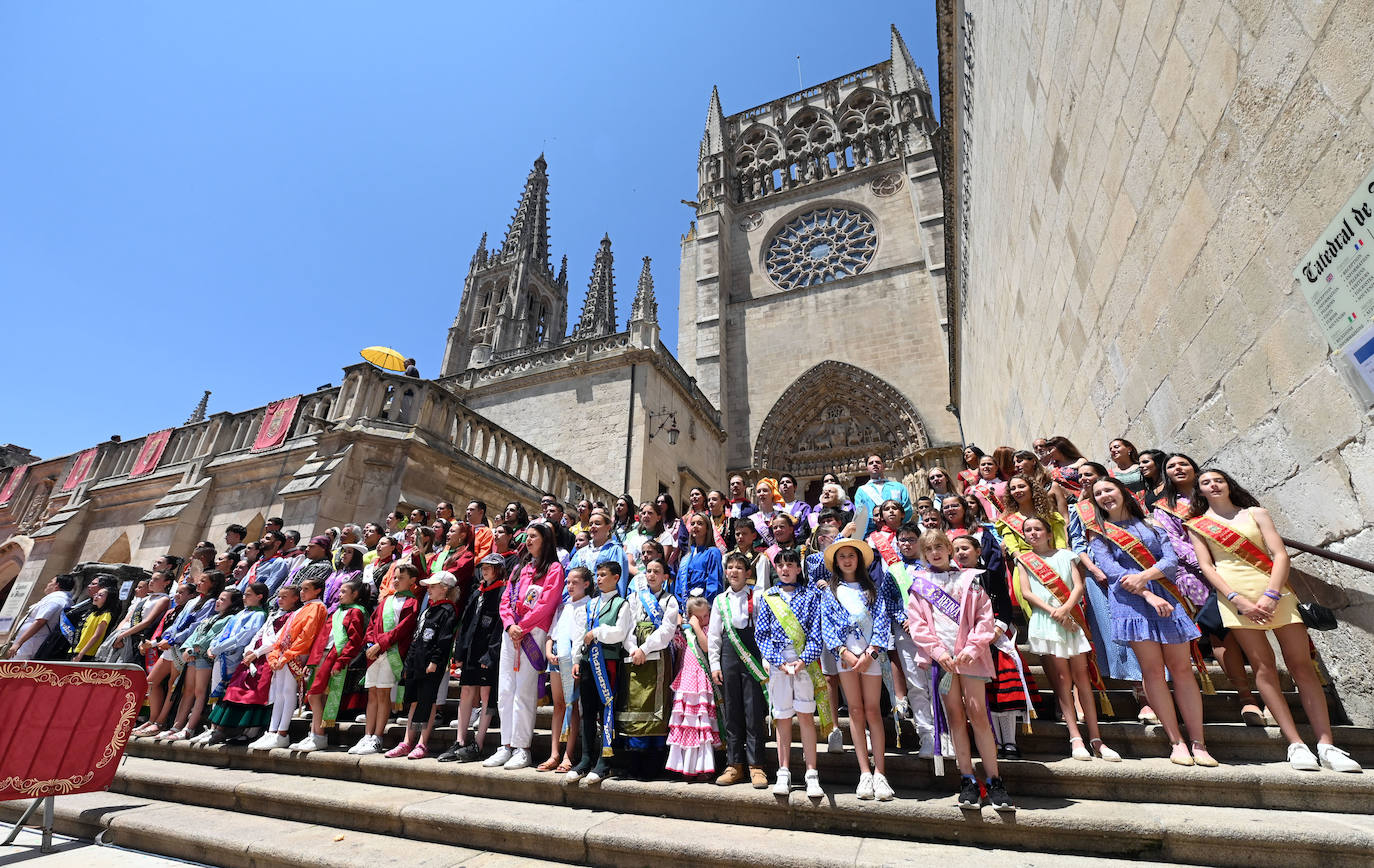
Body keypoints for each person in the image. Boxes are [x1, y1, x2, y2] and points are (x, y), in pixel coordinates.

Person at [1187, 469, 1362, 773]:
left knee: (1301, 666)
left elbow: (1279, 554)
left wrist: (1271, 593)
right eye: (1205, 483)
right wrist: (1236, 599)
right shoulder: (1198, 525)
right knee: (1263, 667)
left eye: (1218, 480)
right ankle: (1295, 743)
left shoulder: (1256, 513)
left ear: (1229, 484)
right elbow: (1207, 566)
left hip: (1275, 592)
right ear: (1199, 492)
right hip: (1235, 599)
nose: (1213, 485)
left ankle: (1327, 744)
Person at [1088, 477, 1212, 767]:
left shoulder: (1151, 523)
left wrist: (1145, 577)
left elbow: (1170, 560)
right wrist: (1147, 593)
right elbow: (1114, 571)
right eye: (1098, 494)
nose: (1104, 496)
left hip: (1165, 595)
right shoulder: (1099, 532)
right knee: (1153, 672)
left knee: (1182, 670)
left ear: (1122, 492)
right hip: (1132, 603)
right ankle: (1176, 741)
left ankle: (1199, 741)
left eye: (1108, 489)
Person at [905, 530, 1013, 811]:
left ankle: (994, 780)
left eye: (940, 546)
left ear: (949, 549)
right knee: (955, 717)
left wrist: (971, 649)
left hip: (970, 658)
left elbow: (984, 618)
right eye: (929, 550)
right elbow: (918, 626)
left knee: (978, 715)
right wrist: (940, 653)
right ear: (923, 554)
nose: (935, 553)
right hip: (944, 661)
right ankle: (967, 778)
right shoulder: (920, 585)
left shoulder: (971, 578)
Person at [1155, 453, 1263, 725]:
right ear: (1165, 474)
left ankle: (1269, 691)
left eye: (1183, 463)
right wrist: (1206, 563)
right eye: (1171, 466)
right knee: (1221, 632)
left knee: (1253, 629)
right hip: (1197, 574)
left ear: (1194, 468)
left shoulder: (1216, 494)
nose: (1178, 468)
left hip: (1239, 568)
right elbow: (1173, 542)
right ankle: (1246, 697)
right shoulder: (1164, 507)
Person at [1015, 516, 1120, 763]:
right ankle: (1075, 737)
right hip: (1047, 621)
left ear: (1049, 533)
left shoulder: (1066, 555)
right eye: (1028, 530)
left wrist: (1066, 608)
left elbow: (1078, 586)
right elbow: (1027, 592)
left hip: (1071, 618)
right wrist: (1054, 611)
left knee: (1083, 679)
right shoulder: (1024, 560)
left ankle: (1096, 738)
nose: (1033, 533)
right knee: (1062, 681)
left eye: (1037, 528)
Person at [821, 537, 893, 801]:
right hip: (846, 657)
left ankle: (881, 773)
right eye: (842, 557)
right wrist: (846, 654)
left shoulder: (873, 589)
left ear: (859, 560)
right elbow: (826, 625)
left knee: (873, 709)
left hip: (871, 656)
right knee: (854, 709)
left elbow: (883, 621)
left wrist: (871, 653)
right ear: (836, 562)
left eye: (852, 555)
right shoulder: (830, 592)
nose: (848, 560)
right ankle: (864, 771)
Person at [488, 522, 564, 770]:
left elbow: (547, 603)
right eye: (527, 536)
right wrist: (511, 625)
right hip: (512, 634)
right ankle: (505, 744)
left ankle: (522, 747)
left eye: (534, 536)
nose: (528, 540)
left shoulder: (553, 569)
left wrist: (524, 626)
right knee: (505, 690)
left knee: (524, 691)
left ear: (545, 540)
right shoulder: (520, 569)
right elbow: (505, 601)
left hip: (533, 633)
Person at [951, 534, 1032, 759]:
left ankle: (1010, 742)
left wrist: (993, 633)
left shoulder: (992, 575)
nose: (960, 553)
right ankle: (992, 741)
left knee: (1002, 694)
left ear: (978, 551)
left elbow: (1003, 606)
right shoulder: (952, 579)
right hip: (967, 644)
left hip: (995, 640)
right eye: (956, 550)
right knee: (980, 697)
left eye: (965, 548)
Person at [755, 548, 826, 799]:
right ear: (776, 569)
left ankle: (811, 773)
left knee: (806, 717)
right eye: (781, 565)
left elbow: (817, 633)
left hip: (805, 664)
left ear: (799, 568)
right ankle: (783, 771)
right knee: (782, 718)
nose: (785, 569)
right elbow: (762, 635)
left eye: (790, 564)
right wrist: (779, 662)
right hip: (779, 665)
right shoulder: (768, 597)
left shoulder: (811, 596)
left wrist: (804, 660)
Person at [203, 584, 298, 746]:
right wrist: (249, 650)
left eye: (284, 597)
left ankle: (251, 730)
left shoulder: (292, 616)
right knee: (237, 689)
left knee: (258, 692)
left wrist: (257, 652)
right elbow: (259, 633)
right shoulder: (273, 614)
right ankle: (229, 728)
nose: (279, 600)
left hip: (268, 656)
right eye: (279, 596)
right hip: (253, 656)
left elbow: (277, 640)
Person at [567, 561, 632, 784]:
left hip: (607, 662)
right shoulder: (591, 603)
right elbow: (580, 633)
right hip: (588, 661)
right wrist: (576, 659)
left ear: (616, 577)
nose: (600, 578)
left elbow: (620, 633)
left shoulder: (621, 604)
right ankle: (585, 758)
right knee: (588, 710)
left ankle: (605, 760)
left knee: (606, 709)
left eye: (604, 575)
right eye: (598, 575)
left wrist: (598, 632)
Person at [441, 554, 509, 763]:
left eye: (490, 567)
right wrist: (459, 651)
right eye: (483, 567)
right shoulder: (476, 592)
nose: (485, 570)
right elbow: (466, 622)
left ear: (499, 569)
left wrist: (491, 653)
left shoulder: (502, 592)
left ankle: (478, 743)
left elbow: (500, 625)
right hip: (471, 650)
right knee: (466, 692)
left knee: (487, 694)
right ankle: (460, 741)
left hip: (488, 652)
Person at [709, 552, 769, 789]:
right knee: (732, 711)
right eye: (730, 568)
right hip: (728, 656)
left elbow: (764, 632)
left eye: (738, 568)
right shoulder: (719, 600)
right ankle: (734, 764)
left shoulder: (759, 596)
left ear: (748, 573)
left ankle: (757, 766)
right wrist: (715, 664)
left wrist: (765, 659)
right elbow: (714, 635)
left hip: (752, 654)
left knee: (753, 711)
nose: (734, 571)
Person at [618, 557, 680, 780]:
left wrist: (645, 648)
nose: (652, 575)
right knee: (633, 703)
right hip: (634, 657)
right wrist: (633, 648)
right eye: (649, 571)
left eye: (657, 571)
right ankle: (634, 762)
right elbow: (627, 627)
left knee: (656, 707)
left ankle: (653, 764)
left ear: (665, 576)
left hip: (657, 658)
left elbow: (666, 631)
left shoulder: (669, 600)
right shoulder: (634, 597)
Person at [386, 571, 459, 760]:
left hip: (431, 665)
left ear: (444, 589)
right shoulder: (428, 610)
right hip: (416, 662)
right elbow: (417, 637)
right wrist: (408, 663)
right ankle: (407, 741)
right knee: (414, 701)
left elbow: (444, 640)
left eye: (433, 587)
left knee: (429, 702)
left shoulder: (448, 610)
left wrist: (434, 661)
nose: (429, 590)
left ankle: (422, 743)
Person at [250, 575, 327, 750]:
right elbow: (283, 634)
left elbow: (307, 635)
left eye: (306, 589)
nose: (302, 592)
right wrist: (275, 655)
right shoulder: (300, 609)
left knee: (288, 691)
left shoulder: (318, 607)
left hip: (298, 655)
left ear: (318, 591)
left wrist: (287, 655)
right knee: (278, 693)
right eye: (301, 589)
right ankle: (272, 731)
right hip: (285, 654)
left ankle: (282, 732)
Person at [159, 585, 241, 740]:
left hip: (204, 657)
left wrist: (194, 650)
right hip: (192, 656)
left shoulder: (230, 619)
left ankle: (189, 728)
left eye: (223, 600)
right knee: (187, 691)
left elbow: (213, 637)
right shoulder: (211, 617)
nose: (218, 602)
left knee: (199, 692)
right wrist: (187, 648)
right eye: (219, 598)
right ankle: (177, 726)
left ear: (232, 603)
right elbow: (195, 634)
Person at [294, 579, 368, 751]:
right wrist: (312, 662)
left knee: (314, 695)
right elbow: (322, 638)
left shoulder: (356, 612)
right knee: (317, 696)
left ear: (355, 594)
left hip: (334, 656)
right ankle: (314, 733)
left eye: (343, 591)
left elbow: (354, 640)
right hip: (322, 655)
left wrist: (342, 661)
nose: (339, 594)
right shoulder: (336, 612)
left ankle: (319, 735)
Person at [536, 563, 589, 772]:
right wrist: (549, 651)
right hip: (556, 658)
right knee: (558, 704)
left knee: (572, 704)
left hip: (573, 659)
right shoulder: (563, 606)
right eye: (568, 582)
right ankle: (554, 753)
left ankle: (569, 754)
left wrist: (575, 660)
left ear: (586, 584)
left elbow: (581, 636)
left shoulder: (588, 605)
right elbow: (551, 634)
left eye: (574, 582)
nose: (570, 586)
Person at [666, 595, 722, 780]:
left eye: (706, 615)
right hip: (686, 681)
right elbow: (678, 650)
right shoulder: (685, 633)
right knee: (686, 724)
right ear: (690, 616)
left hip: (702, 683)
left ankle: (703, 767)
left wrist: (697, 627)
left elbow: (706, 647)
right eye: (699, 617)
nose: (705, 619)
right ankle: (685, 766)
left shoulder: (706, 630)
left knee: (702, 725)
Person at [569, 509, 630, 598]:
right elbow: (569, 575)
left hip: (603, 601)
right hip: (579, 600)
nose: (593, 526)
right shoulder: (581, 552)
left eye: (597, 523)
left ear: (608, 527)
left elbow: (620, 580)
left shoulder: (615, 551)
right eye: (590, 524)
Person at [853, 454, 913, 536]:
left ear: (883, 466)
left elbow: (907, 509)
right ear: (867, 468)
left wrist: (894, 523)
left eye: (878, 462)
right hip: (874, 535)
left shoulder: (899, 487)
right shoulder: (861, 491)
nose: (874, 464)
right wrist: (878, 522)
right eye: (871, 463)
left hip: (898, 533)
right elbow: (861, 515)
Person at [675, 512, 724, 610]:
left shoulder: (712, 553)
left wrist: (707, 609)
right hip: (686, 610)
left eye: (700, 523)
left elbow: (714, 584)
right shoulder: (686, 556)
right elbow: (679, 585)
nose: (695, 526)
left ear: (707, 528)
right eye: (692, 524)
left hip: (704, 610)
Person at [69, 585, 119, 662]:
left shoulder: (106, 615)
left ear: (109, 599)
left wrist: (81, 654)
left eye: (100, 595)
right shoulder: (92, 613)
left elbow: (97, 636)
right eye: (96, 594)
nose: (96, 596)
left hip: (86, 653)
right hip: (75, 649)